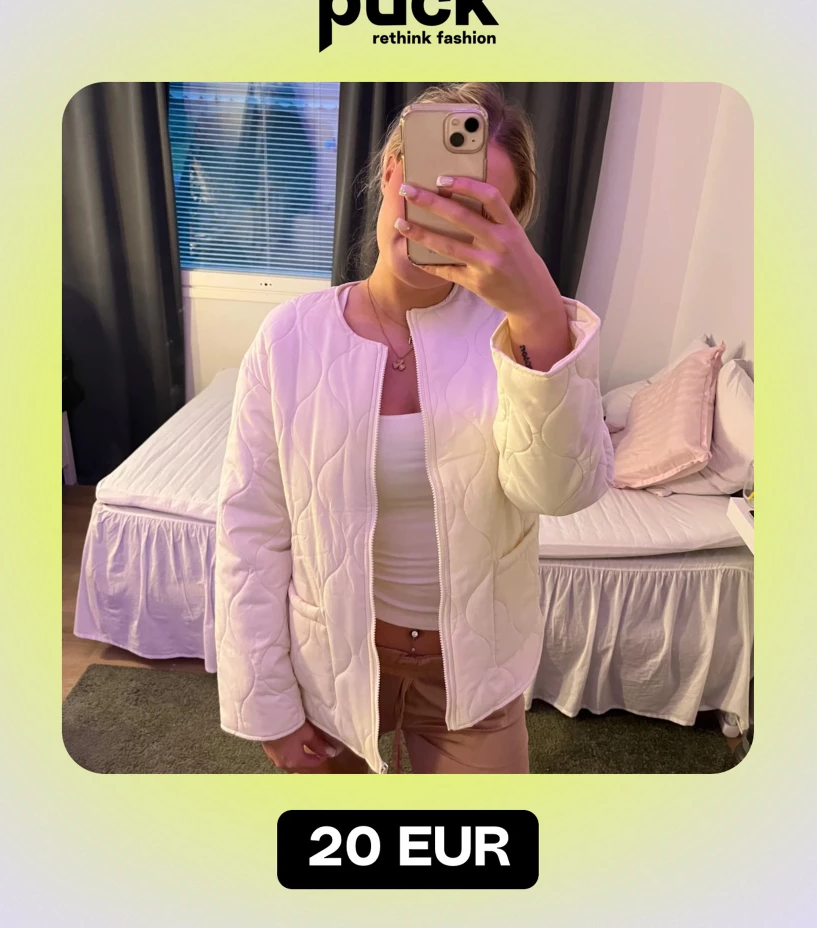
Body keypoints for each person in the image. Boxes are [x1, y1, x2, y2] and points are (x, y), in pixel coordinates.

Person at [214, 82, 614, 774]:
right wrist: (268, 706)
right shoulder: (290, 339)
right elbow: (250, 531)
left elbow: (558, 493)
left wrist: (540, 317)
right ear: (393, 168)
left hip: (474, 674)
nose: (439, 222)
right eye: (434, 188)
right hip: (333, 664)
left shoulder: (520, 336)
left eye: (475, 211)